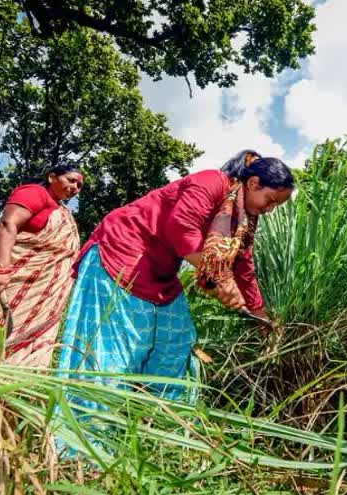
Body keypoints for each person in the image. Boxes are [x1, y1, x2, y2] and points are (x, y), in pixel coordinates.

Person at [56, 150, 293, 406]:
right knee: (111, 351)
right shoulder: (211, 182)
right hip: (122, 253)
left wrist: (258, 312)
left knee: (176, 341)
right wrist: (221, 279)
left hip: (161, 272)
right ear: (254, 183)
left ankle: (158, 422)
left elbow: (242, 262)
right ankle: (88, 432)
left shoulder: (245, 219)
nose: (269, 210)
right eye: (269, 200)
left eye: (276, 206)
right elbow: (182, 228)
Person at [0, 163, 84, 366]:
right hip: (10, 276)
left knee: (29, 337)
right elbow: (7, 224)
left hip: (39, 290)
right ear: (51, 177)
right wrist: (2, 268)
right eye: (71, 180)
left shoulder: (62, 211)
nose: (75, 187)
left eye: (79, 185)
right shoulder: (35, 193)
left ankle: (15, 388)